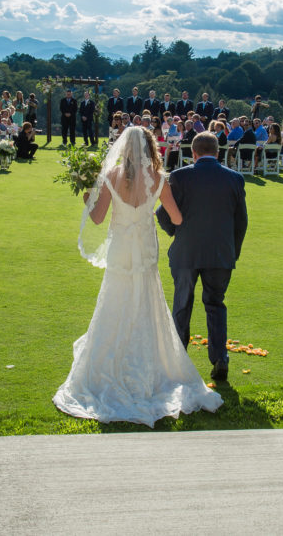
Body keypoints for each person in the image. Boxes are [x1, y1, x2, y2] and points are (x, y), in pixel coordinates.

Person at [54, 127, 222, 426]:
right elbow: (177, 218)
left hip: (121, 247)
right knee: (146, 299)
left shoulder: (112, 177)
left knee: (116, 300)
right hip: (144, 247)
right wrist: (149, 208)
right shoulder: (159, 179)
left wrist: (87, 199)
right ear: (150, 149)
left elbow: (97, 218)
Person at [156, 132, 248, 381]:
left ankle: (178, 358)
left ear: (193, 154)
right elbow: (241, 222)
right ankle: (219, 359)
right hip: (220, 254)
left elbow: (162, 213)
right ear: (218, 153)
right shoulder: (235, 179)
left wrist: (174, 231)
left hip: (186, 251)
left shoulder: (180, 176)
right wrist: (233, 252)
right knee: (215, 304)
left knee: (182, 303)